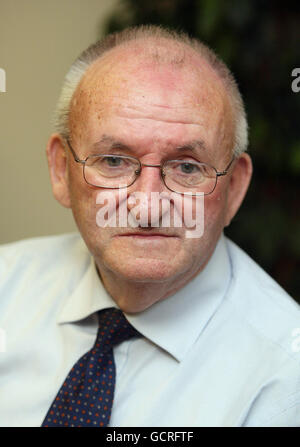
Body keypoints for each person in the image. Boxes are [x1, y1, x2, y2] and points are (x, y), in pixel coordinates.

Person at [0, 25, 299, 428]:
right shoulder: (6, 286)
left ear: (234, 189)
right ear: (60, 170)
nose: (148, 206)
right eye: (114, 161)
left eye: (187, 167)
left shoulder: (285, 379)